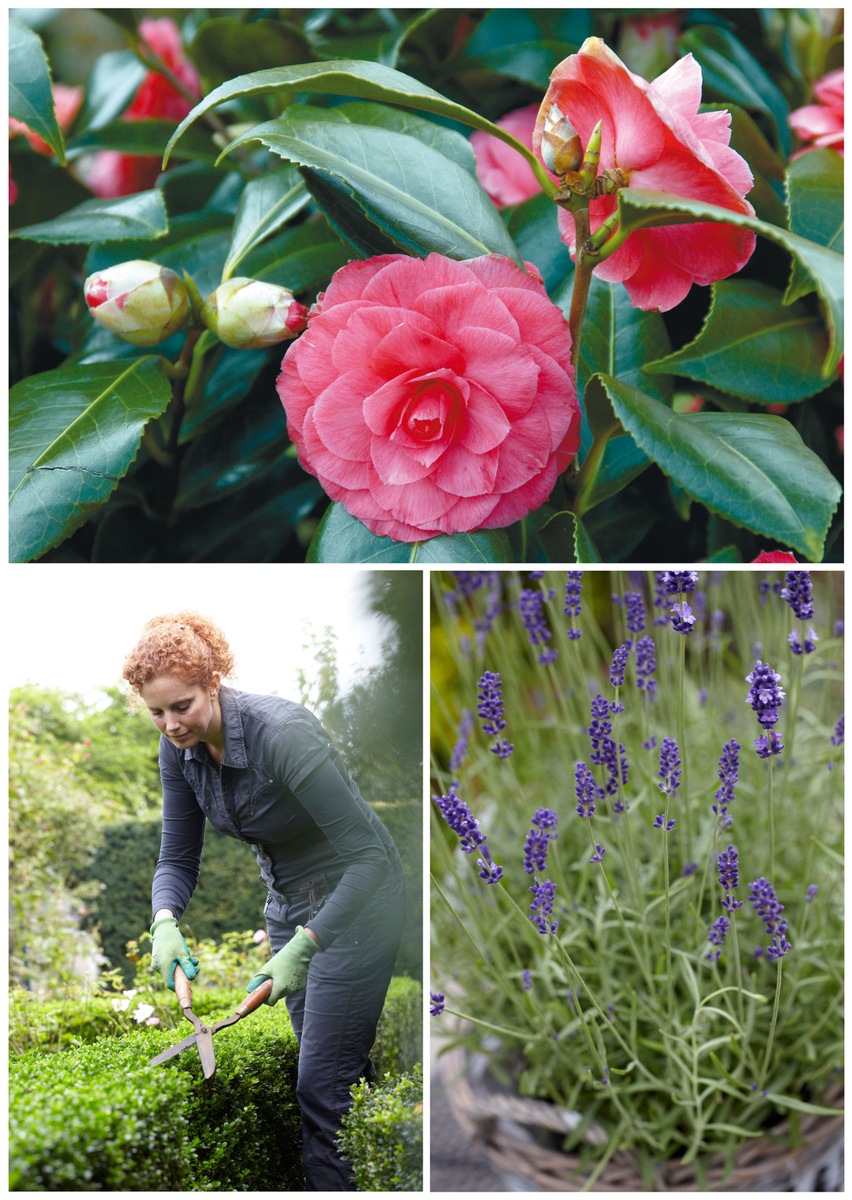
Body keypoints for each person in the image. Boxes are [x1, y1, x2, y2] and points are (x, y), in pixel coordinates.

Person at [122, 611, 408, 1191]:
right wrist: (163, 921)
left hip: (358, 903)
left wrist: (309, 944)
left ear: (214, 684)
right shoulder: (178, 751)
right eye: (157, 712)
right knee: (334, 1070)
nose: (171, 724)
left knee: (319, 1086)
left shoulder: (282, 733)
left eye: (183, 706)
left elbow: (369, 858)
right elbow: (177, 856)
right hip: (286, 908)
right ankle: (389, 1171)